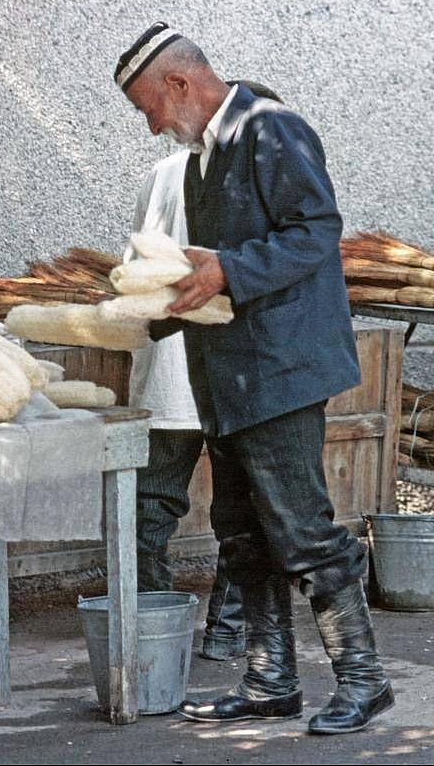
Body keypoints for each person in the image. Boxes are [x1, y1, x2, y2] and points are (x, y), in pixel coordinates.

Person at [114, 23, 394, 734]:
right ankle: (271, 680)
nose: (151, 126)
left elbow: (315, 231)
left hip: (282, 371)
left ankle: (365, 679)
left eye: (148, 107)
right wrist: (144, 309)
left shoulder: (272, 129)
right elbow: (208, 272)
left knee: (303, 533)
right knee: (242, 533)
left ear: (179, 84)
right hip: (231, 374)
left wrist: (226, 270)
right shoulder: (203, 158)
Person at [130, 80, 285, 662]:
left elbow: (134, 271)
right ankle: (225, 631)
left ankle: (149, 627)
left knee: (150, 503)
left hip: (168, 369)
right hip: (231, 369)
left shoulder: (159, 174)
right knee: (242, 509)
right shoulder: (251, 178)